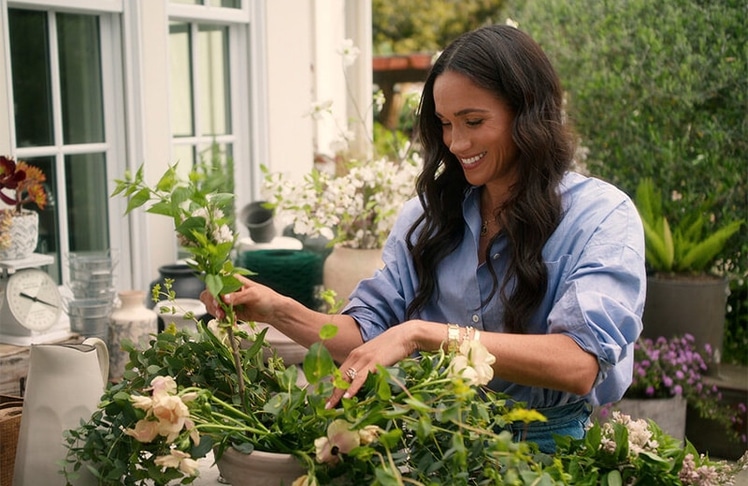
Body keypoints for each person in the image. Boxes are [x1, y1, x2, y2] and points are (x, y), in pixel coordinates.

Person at [201, 24, 646, 454]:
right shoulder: (428, 218)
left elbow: (578, 364)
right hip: (435, 450)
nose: (455, 142)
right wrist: (276, 309)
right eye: (445, 123)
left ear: (528, 113)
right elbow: (366, 335)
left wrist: (421, 334)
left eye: (473, 121)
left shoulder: (601, 216)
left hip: (547, 458)